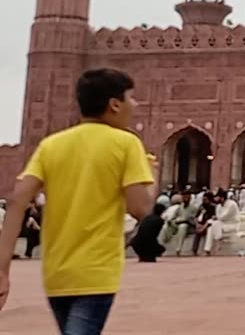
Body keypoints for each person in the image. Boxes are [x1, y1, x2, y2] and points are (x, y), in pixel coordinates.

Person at [0, 68, 157, 334]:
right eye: (132, 97)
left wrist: (2, 269)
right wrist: (151, 177)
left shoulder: (51, 145)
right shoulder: (126, 143)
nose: (136, 104)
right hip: (96, 272)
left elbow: (17, 201)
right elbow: (141, 208)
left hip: (56, 272)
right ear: (114, 105)